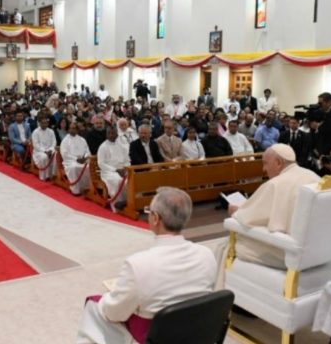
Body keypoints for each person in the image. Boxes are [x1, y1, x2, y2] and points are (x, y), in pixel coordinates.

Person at [76, 187, 216, 344]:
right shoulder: (207, 255)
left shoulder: (138, 264)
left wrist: (106, 299)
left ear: (155, 218)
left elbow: (114, 313)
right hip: (194, 334)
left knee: (94, 308)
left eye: (149, 211)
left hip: (154, 338)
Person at [225, 144, 320, 269]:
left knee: (226, 245)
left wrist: (235, 212)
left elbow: (249, 218)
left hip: (287, 252)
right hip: (317, 251)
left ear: (279, 163)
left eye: (265, 163)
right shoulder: (314, 176)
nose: (264, 169)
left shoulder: (275, 184)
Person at [98, 126, 131, 212]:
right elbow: (101, 163)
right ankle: (117, 205)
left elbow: (127, 159)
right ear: (106, 134)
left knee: (131, 179)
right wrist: (116, 170)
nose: (111, 135)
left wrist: (125, 168)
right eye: (109, 133)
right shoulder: (103, 147)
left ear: (117, 134)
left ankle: (130, 202)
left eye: (113, 133)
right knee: (117, 180)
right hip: (108, 172)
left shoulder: (121, 146)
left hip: (122, 170)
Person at [59, 122, 92, 195]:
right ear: (68, 129)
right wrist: (76, 159)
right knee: (74, 167)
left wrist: (84, 158)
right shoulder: (65, 140)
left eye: (74, 128)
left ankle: (88, 188)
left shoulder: (82, 139)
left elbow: (87, 151)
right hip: (71, 162)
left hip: (83, 160)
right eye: (70, 128)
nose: (72, 130)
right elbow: (64, 154)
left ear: (77, 130)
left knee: (90, 167)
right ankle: (76, 190)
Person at [31, 116, 57, 181]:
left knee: (56, 155)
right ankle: (45, 176)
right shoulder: (35, 132)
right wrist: (45, 151)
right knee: (44, 157)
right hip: (39, 151)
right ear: (39, 123)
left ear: (48, 123)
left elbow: (54, 142)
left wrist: (51, 150)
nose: (44, 124)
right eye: (43, 123)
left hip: (50, 150)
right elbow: (36, 145)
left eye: (46, 123)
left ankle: (53, 175)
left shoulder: (51, 131)